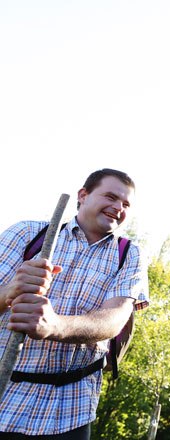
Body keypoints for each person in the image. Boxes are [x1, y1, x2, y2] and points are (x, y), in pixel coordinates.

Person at [0, 168, 149, 439]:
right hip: (4, 394)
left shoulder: (129, 254)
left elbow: (114, 319)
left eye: (126, 204)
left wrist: (55, 325)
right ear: (83, 195)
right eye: (111, 197)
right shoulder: (28, 233)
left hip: (71, 409)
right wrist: (10, 290)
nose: (118, 207)